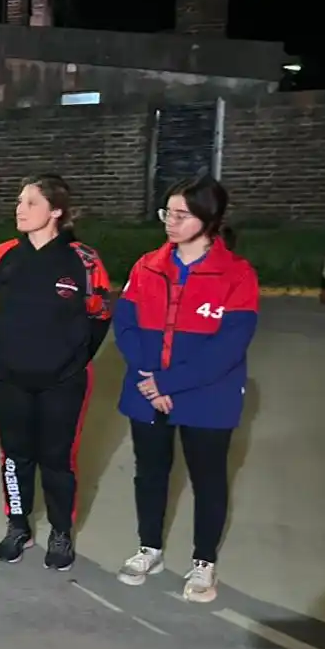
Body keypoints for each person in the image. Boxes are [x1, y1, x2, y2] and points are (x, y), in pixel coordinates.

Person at [113, 174, 257, 603]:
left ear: (208, 219)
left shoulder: (236, 274)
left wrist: (169, 382)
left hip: (207, 396)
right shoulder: (147, 266)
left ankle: (203, 563)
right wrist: (150, 379)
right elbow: (126, 325)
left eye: (181, 215)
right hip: (147, 389)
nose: (170, 223)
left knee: (208, 479)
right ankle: (150, 548)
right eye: (167, 213)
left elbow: (230, 345)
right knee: (150, 473)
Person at [0, 174, 112, 570]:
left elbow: (100, 315)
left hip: (63, 382)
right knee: (14, 456)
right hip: (9, 379)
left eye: (31, 203)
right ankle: (17, 525)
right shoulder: (2, 255)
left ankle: (60, 531)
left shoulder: (84, 261)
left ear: (56, 211)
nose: (20, 210)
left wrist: (69, 360)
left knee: (57, 459)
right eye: (19, 201)